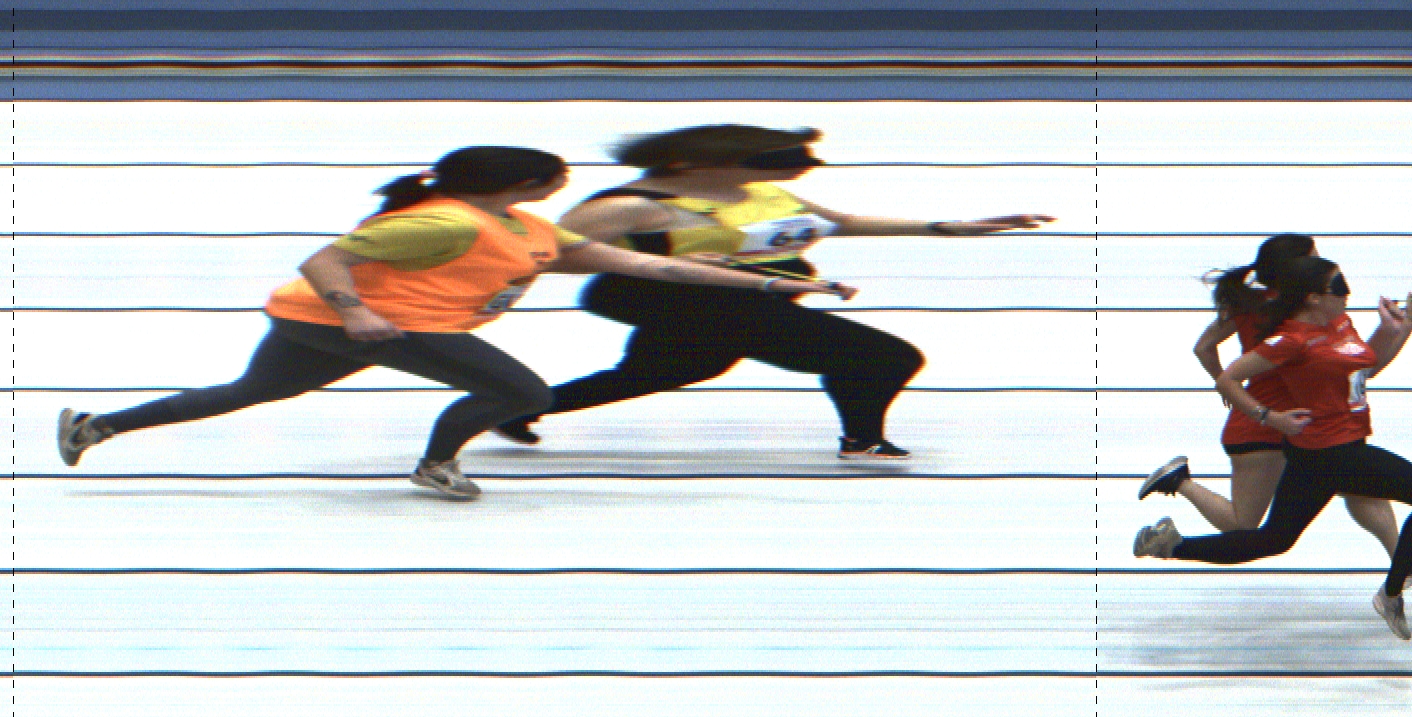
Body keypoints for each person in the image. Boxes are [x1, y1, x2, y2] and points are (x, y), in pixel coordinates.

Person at [54, 146, 851, 499]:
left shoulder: (530, 228)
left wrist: (766, 283)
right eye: (557, 176)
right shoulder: (442, 220)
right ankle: (437, 465)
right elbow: (324, 259)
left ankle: (96, 426)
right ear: (526, 183)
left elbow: (655, 269)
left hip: (333, 321)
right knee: (522, 392)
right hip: (365, 322)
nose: (567, 183)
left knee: (249, 393)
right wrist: (357, 313)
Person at [493, 125, 1052, 460]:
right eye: (779, 160)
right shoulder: (628, 206)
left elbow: (839, 222)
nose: (803, 168)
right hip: (695, 302)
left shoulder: (758, 190)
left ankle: (510, 408)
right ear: (691, 165)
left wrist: (944, 227)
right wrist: (666, 263)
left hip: (760, 296)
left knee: (662, 372)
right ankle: (862, 441)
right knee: (884, 356)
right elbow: (552, 256)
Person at [1133, 254, 1412, 641]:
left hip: (1320, 458)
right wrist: (1269, 417)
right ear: (1313, 298)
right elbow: (1229, 379)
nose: (1348, 292)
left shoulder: (1339, 324)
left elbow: (1366, 367)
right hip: (1334, 454)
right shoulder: (1291, 340)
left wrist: (1402, 327)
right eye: (1338, 287)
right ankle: (1392, 590)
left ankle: (1170, 546)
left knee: (1274, 539)